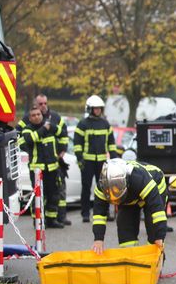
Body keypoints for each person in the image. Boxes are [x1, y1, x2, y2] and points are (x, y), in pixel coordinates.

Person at [91, 159, 167, 254]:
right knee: (126, 235)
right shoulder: (102, 186)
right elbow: (99, 215)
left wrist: (159, 235)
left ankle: (154, 264)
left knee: (154, 235)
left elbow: (157, 210)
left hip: (155, 185)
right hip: (129, 198)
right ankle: (131, 263)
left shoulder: (139, 179)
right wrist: (98, 239)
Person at [17, 94, 71, 226]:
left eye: (38, 114)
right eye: (34, 115)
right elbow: (30, 139)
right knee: (38, 196)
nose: (37, 116)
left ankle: (51, 220)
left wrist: (61, 150)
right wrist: (44, 128)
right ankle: (37, 221)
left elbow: (63, 134)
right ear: (30, 118)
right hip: (37, 170)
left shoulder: (51, 125)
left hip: (52, 167)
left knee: (53, 195)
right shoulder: (28, 129)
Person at [73, 95, 119, 223]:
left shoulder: (105, 124)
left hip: (102, 162)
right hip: (87, 162)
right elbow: (77, 143)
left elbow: (111, 143)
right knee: (86, 187)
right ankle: (86, 214)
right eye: (95, 108)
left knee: (105, 188)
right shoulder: (83, 124)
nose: (97, 110)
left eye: (99, 108)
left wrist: (114, 159)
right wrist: (80, 158)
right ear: (89, 109)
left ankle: (105, 212)